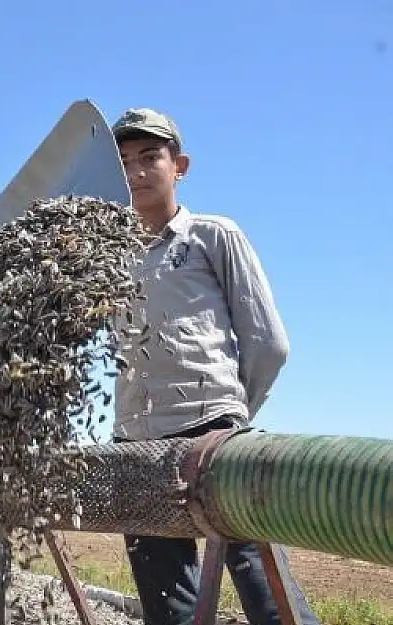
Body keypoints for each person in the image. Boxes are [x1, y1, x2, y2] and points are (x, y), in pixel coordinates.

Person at [109, 108, 321, 625]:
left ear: (178, 165)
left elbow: (269, 343)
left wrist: (229, 414)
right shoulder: (104, 257)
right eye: (123, 162)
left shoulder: (212, 236)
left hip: (212, 434)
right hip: (136, 441)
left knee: (259, 578)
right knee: (166, 602)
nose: (136, 172)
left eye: (149, 157)